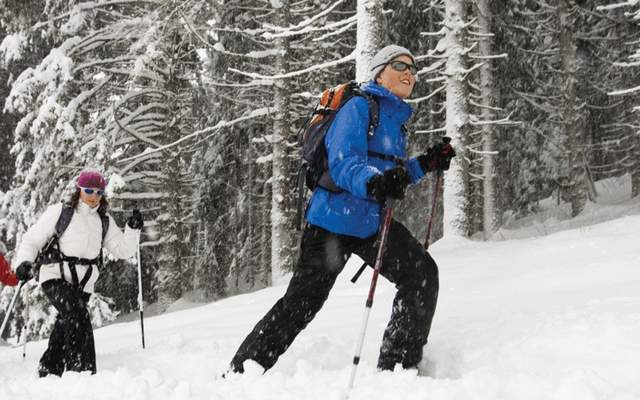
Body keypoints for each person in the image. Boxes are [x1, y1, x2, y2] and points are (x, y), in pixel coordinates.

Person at [229, 45, 455, 374]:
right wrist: (374, 183)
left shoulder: (395, 119)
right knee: (300, 306)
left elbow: (392, 173)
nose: (410, 72)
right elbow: (344, 163)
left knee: (421, 274)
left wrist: (426, 163)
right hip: (331, 222)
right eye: (400, 65)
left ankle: (398, 367)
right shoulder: (359, 107)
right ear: (380, 71)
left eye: (413, 68)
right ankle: (241, 371)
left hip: (368, 224)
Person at [13, 169, 144, 377]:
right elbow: (31, 240)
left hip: (83, 283)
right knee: (76, 314)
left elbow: (123, 250)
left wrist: (132, 229)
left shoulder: (103, 221)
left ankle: (49, 369)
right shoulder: (61, 212)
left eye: (99, 192)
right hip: (54, 275)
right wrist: (24, 262)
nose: (93, 196)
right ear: (79, 190)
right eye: (89, 191)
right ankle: (82, 372)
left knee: (67, 321)